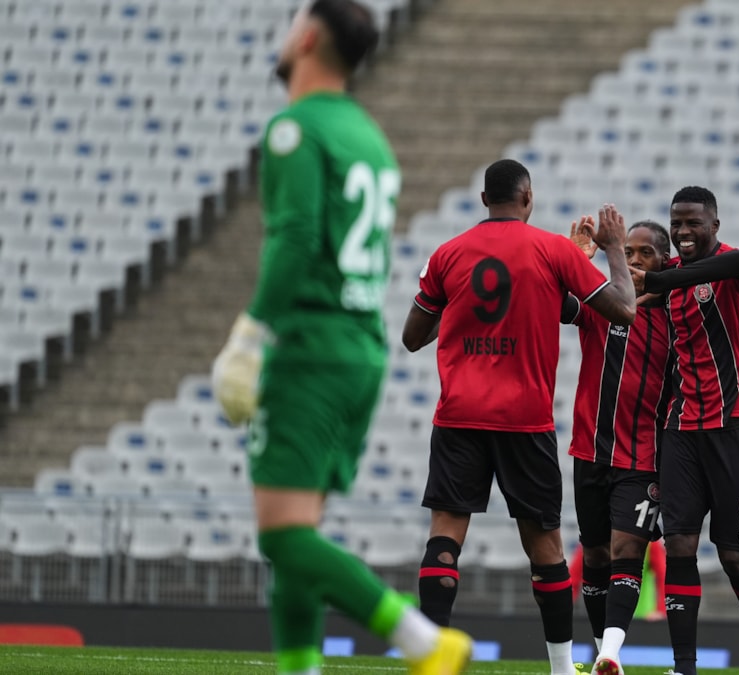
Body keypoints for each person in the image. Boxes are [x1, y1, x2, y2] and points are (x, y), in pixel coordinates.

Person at [209, 3, 471, 675]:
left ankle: (421, 639)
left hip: (310, 347)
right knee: (301, 532)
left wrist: (250, 333)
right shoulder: (369, 136)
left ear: (306, 36)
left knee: (285, 536)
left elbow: (295, 237)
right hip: (360, 347)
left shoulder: (296, 128)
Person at [401, 160, 637, 675]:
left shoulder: (447, 254)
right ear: (527, 197)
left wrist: (458, 302)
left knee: (444, 536)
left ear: (484, 200)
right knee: (544, 545)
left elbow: (413, 337)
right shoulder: (553, 250)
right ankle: (559, 669)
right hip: (524, 421)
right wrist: (615, 247)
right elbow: (623, 308)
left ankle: (432, 660)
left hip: (459, 416)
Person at [563, 218, 739, 675]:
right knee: (594, 555)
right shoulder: (602, 303)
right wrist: (575, 258)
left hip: (644, 457)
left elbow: (715, 354)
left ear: (665, 262)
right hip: (589, 449)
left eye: (645, 254)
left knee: (628, 551)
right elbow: (557, 307)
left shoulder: (677, 319)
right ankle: (602, 652)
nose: (634, 261)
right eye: (628, 253)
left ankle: (613, 652)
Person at [630, 186, 739, 675]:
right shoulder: (669, 278)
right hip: (681, 427)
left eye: (693, 222)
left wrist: (661, 276)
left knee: (736, 556)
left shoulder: (733, 267)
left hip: (736, 423)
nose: (683, 232)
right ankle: (684, 667)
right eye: (677, 223)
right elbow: (622, 294)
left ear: (714, 224)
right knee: (679, 546)